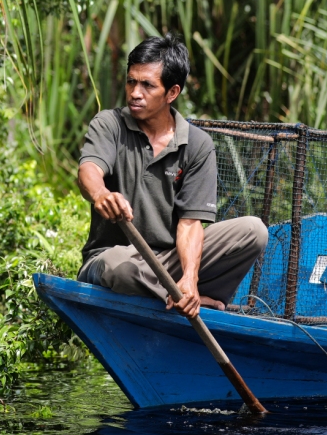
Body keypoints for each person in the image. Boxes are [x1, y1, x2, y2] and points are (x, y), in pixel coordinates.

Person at [77, 34, 268, 320]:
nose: (135, 92)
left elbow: (190, 224)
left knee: (254, 231)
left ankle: (186, 291)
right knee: (123, 267)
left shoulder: (197, 144)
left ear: (172, 92)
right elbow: (89, 170)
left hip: (167, 261)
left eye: (147, 85)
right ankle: (184, 299)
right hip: (114, 259)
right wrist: (101, 194)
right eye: (131, 81)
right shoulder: (110, 124)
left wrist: (190, 276)